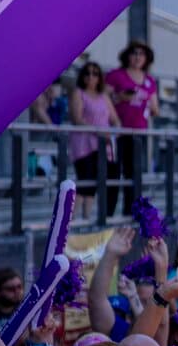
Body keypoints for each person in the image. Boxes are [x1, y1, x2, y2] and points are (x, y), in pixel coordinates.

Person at [104, 40, 158, 217]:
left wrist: (144, 101)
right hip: (116, 132)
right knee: (113, 173)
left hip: (138, 133)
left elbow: (156, 109)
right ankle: (108, 213)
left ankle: (130, 214)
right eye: (134, 53)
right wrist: (120, 97)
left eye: (141, 54)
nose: (137, 57)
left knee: (133, 174)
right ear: (127, 55)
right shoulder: (116, 75)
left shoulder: (149, 80)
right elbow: (102, 98)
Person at [66, 60, 119, 217]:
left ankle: (87, 218)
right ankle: (71, 220)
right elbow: (77, 118)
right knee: (85, 180)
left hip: (102, 144)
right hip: (84, 144)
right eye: (87, 73)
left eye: (95, 73)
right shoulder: (78, 93)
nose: (91, 76)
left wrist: (113, 133)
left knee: (94, 182)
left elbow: (115, 119)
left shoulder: (104, 97)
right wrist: (99, 132)